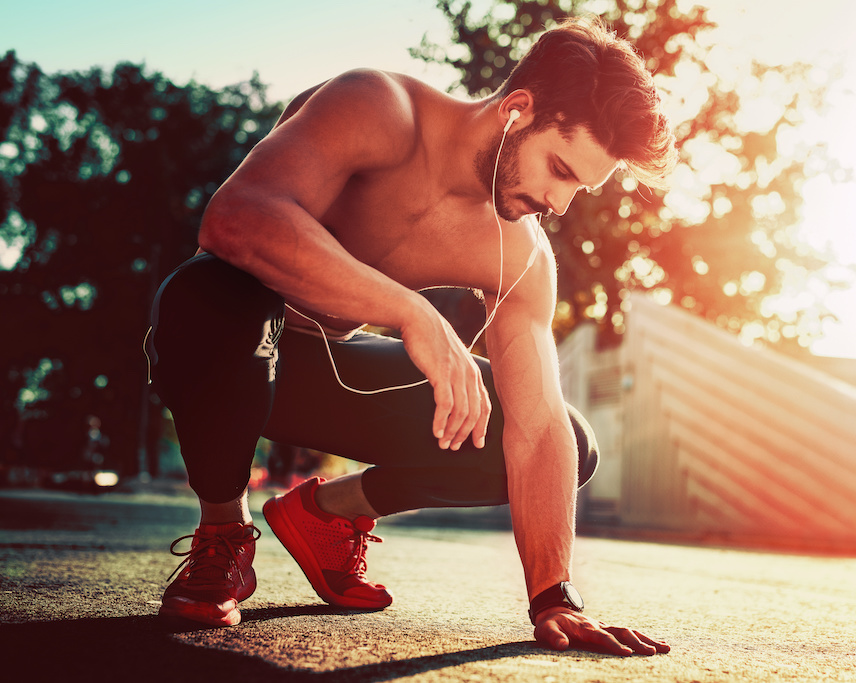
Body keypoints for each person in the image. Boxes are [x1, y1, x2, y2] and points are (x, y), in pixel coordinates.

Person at [147, 16, 675, 656]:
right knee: (204, 293)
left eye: (578, 188)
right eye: (558, 169)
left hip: (328, 384)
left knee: (570, 440)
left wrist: (554, 595)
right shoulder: (378, 108)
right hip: (231, 352)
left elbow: (535, 430)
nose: (559, 204)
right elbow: (237, 219)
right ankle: (224, 532)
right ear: (517, 110)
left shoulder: (521, 255)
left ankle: (325, 513)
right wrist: (410, 311)